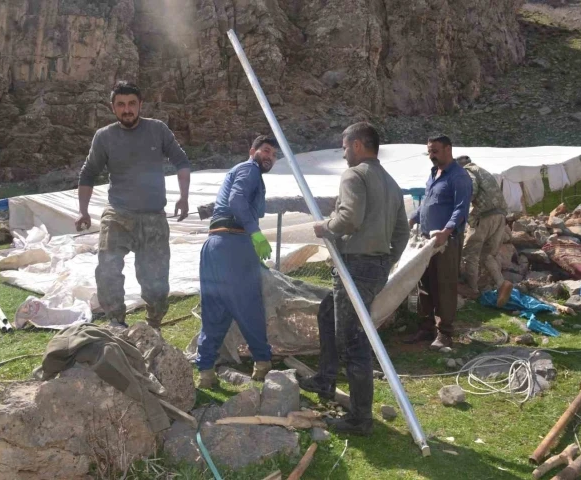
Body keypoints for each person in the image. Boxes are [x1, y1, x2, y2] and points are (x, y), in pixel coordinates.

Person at [299, 122, 409, 436]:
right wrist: (386, 261)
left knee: (352, 340)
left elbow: (348, 218)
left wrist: (325, 226)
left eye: (346, 146)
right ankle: (325, 378)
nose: (344, 153)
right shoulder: (390, 183)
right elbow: (401, 232)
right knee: (327, 311)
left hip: (355, 267)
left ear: (359, 145)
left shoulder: (355, 175)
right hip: (373, 268)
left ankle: (361, 419)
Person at [76, 81, 191, 329]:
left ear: (140, 105)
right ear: (113, 108)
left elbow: (181, 161)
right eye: (121, 105)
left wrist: (184, 197)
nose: (126, 109)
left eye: (131, 104)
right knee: (107, 269)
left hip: (153, 216)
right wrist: (83, 211)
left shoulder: (157, 130)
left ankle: (154, 324)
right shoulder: (104, 137)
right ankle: (117, 322)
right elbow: (88, 174)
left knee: (157, 281)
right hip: (119, 214)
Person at [195, 135, 280, 388]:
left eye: (274, 155)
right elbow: (236, 200)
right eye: (266, 151)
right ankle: (263, 364)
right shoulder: (249, 169)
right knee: (249, 305)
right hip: (234, 243)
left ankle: (206, 372)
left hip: (214, 246)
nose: (270, 157)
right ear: (251, 150)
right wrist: (255, 234)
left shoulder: (242, 172)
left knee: (215, 309)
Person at [406, 135, 472, 349]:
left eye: (435, 151)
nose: (431, 156)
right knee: (424, 283)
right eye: (429, 152)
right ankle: (426, 328)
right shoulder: (434, 174)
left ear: (448, 149)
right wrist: (412, 218)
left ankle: (445, 333)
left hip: (446, 241)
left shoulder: (459, 177)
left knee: (444, 284)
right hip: (426, 241)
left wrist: (446, 231)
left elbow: (461, 209)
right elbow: (427, 204)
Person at [456, 156, 513, 306]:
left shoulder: (468, 171)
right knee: (487, 254)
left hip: (484, 216)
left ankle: (472, 289)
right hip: (500, 215)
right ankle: (501, 284)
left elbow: (471, 189)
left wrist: (459, 208)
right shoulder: (484, 171)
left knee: (470, 252)